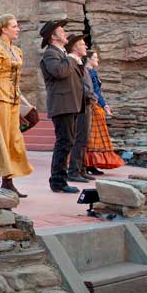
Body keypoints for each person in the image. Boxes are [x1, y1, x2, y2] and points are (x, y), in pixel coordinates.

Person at [0, 15, 33, 196]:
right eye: (14, 26)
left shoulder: (16, 51)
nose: (18, 29)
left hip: (12, 99)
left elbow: (16, 80)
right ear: (4, 29)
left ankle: (8, 182)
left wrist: (24, 102)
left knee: (12, 139)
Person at [39, 21, 85, 194]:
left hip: (71, 103)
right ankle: (58, 181)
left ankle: (60, 179)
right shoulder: (50, 53)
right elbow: (59, 72)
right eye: (61, 31)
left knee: (68, 142)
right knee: (63, 142)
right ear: (53, 36)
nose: (65, 33)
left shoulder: (63, 53)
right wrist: (72, 58)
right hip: (62, 104)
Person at [84, 50, 125, 173]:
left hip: (95, 104)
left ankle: (91, 163)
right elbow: (95, 91)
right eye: (95, 57)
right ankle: (88, 163)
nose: (97, 60)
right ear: (88, 59)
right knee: (93, 135)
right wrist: (103, 104)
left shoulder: (90, 72)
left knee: (92, 136)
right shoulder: (88, 73)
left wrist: (104, 104)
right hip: (93, 106)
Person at [65, 34, 96, 184]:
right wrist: (90, 94)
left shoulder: (80, 64)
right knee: (79, 138)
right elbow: (78, 85)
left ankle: (81, 168)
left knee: (84, 139)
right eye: (83, 44)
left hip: (87, 104)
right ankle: (74, 170)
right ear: (75, 47)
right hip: (80, 105)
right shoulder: (72, 63)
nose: (86, 47)